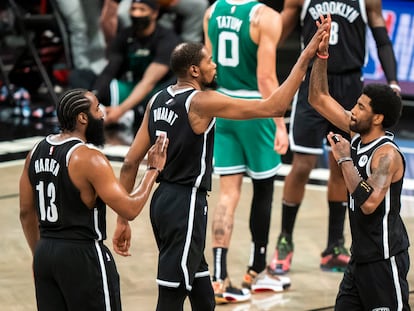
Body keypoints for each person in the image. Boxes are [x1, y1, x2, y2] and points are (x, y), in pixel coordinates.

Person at [112, 19, 329, 310]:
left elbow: (129, 163)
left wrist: (122, 219)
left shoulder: (157, 100)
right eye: (210, 61)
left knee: (202, 293)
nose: (215, 66)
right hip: (186, 204)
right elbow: (273, 106)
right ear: (194, 70)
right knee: (171, 295)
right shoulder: (202, 101)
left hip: (161, 202)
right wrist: (306, 56)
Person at [268, 0, 401, 275]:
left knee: (341, 168)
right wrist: (263, 69)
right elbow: (275, 35)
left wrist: (393, 81)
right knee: (302, 164)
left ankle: (335, 244)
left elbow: (382, 40)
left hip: (351, 86)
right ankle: (284, 240)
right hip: (315, 81)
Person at [19, 88, 168, 311]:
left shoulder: (35, 152)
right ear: (82, 117)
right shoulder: (88, 157)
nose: (103, 114)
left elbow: (25, 212)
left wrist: (38, 254)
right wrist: (153, 170)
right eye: (97, 108)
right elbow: (130, 208)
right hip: (82, 256)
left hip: (45, 255)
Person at [308, 15, 410, 310]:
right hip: (359, 259)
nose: (352, 110)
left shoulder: (386, 155)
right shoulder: (357, 133)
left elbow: (368, 202)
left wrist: (343, 160)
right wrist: (322, 54)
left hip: (384, 260)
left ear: (377, 118)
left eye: (360, 107)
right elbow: (318, 97)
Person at [203, 0, 290, 304]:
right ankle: (255, 270)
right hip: (256, 108)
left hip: (223, 106)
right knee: (264, 190)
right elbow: (266, 78)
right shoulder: (265, 16)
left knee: (227, 195)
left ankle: (217, 276)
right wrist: (280, 124)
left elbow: (207, 67)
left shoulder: (212, 12)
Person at [92, 0, 181, 127]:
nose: (136, 14)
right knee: (83, 77)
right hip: (133, 84)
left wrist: (121, 110)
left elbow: (149, 81)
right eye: (133, 9)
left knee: (160, 97)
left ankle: (134, 115)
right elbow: (111, 69)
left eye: (142, 10)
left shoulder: (167, 39)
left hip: (158, 89)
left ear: (154, 13)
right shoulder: (125, 35)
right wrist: (93, 99)